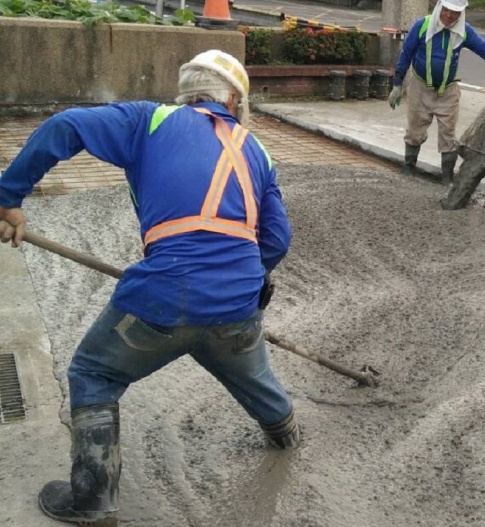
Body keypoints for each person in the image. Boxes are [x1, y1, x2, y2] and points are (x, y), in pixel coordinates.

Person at [0, 50, 299, 525]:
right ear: (235, 100)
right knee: (250, 370)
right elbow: (277, 241)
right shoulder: (257, 150)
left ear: (188, 93)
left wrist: (7, 197)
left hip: (161, 298)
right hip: (238, 302)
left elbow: (66, 127)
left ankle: (94, 500)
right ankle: (285, 433)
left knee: (94, 374)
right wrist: (236, 280)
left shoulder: (150, 121)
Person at [387, 0, 485, 184]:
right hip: (420, 88)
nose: (449, 16)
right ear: (439, 8)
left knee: (448, 134)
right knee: (414, 130)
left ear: (461, 14)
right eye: (446, 10)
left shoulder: (463, 31)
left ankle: (447, 177)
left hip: (448, 91)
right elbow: (406, 53)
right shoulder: (422, 25)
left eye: (455, 13)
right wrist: (397, 85)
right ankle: (409, 166)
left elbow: (484, 49)